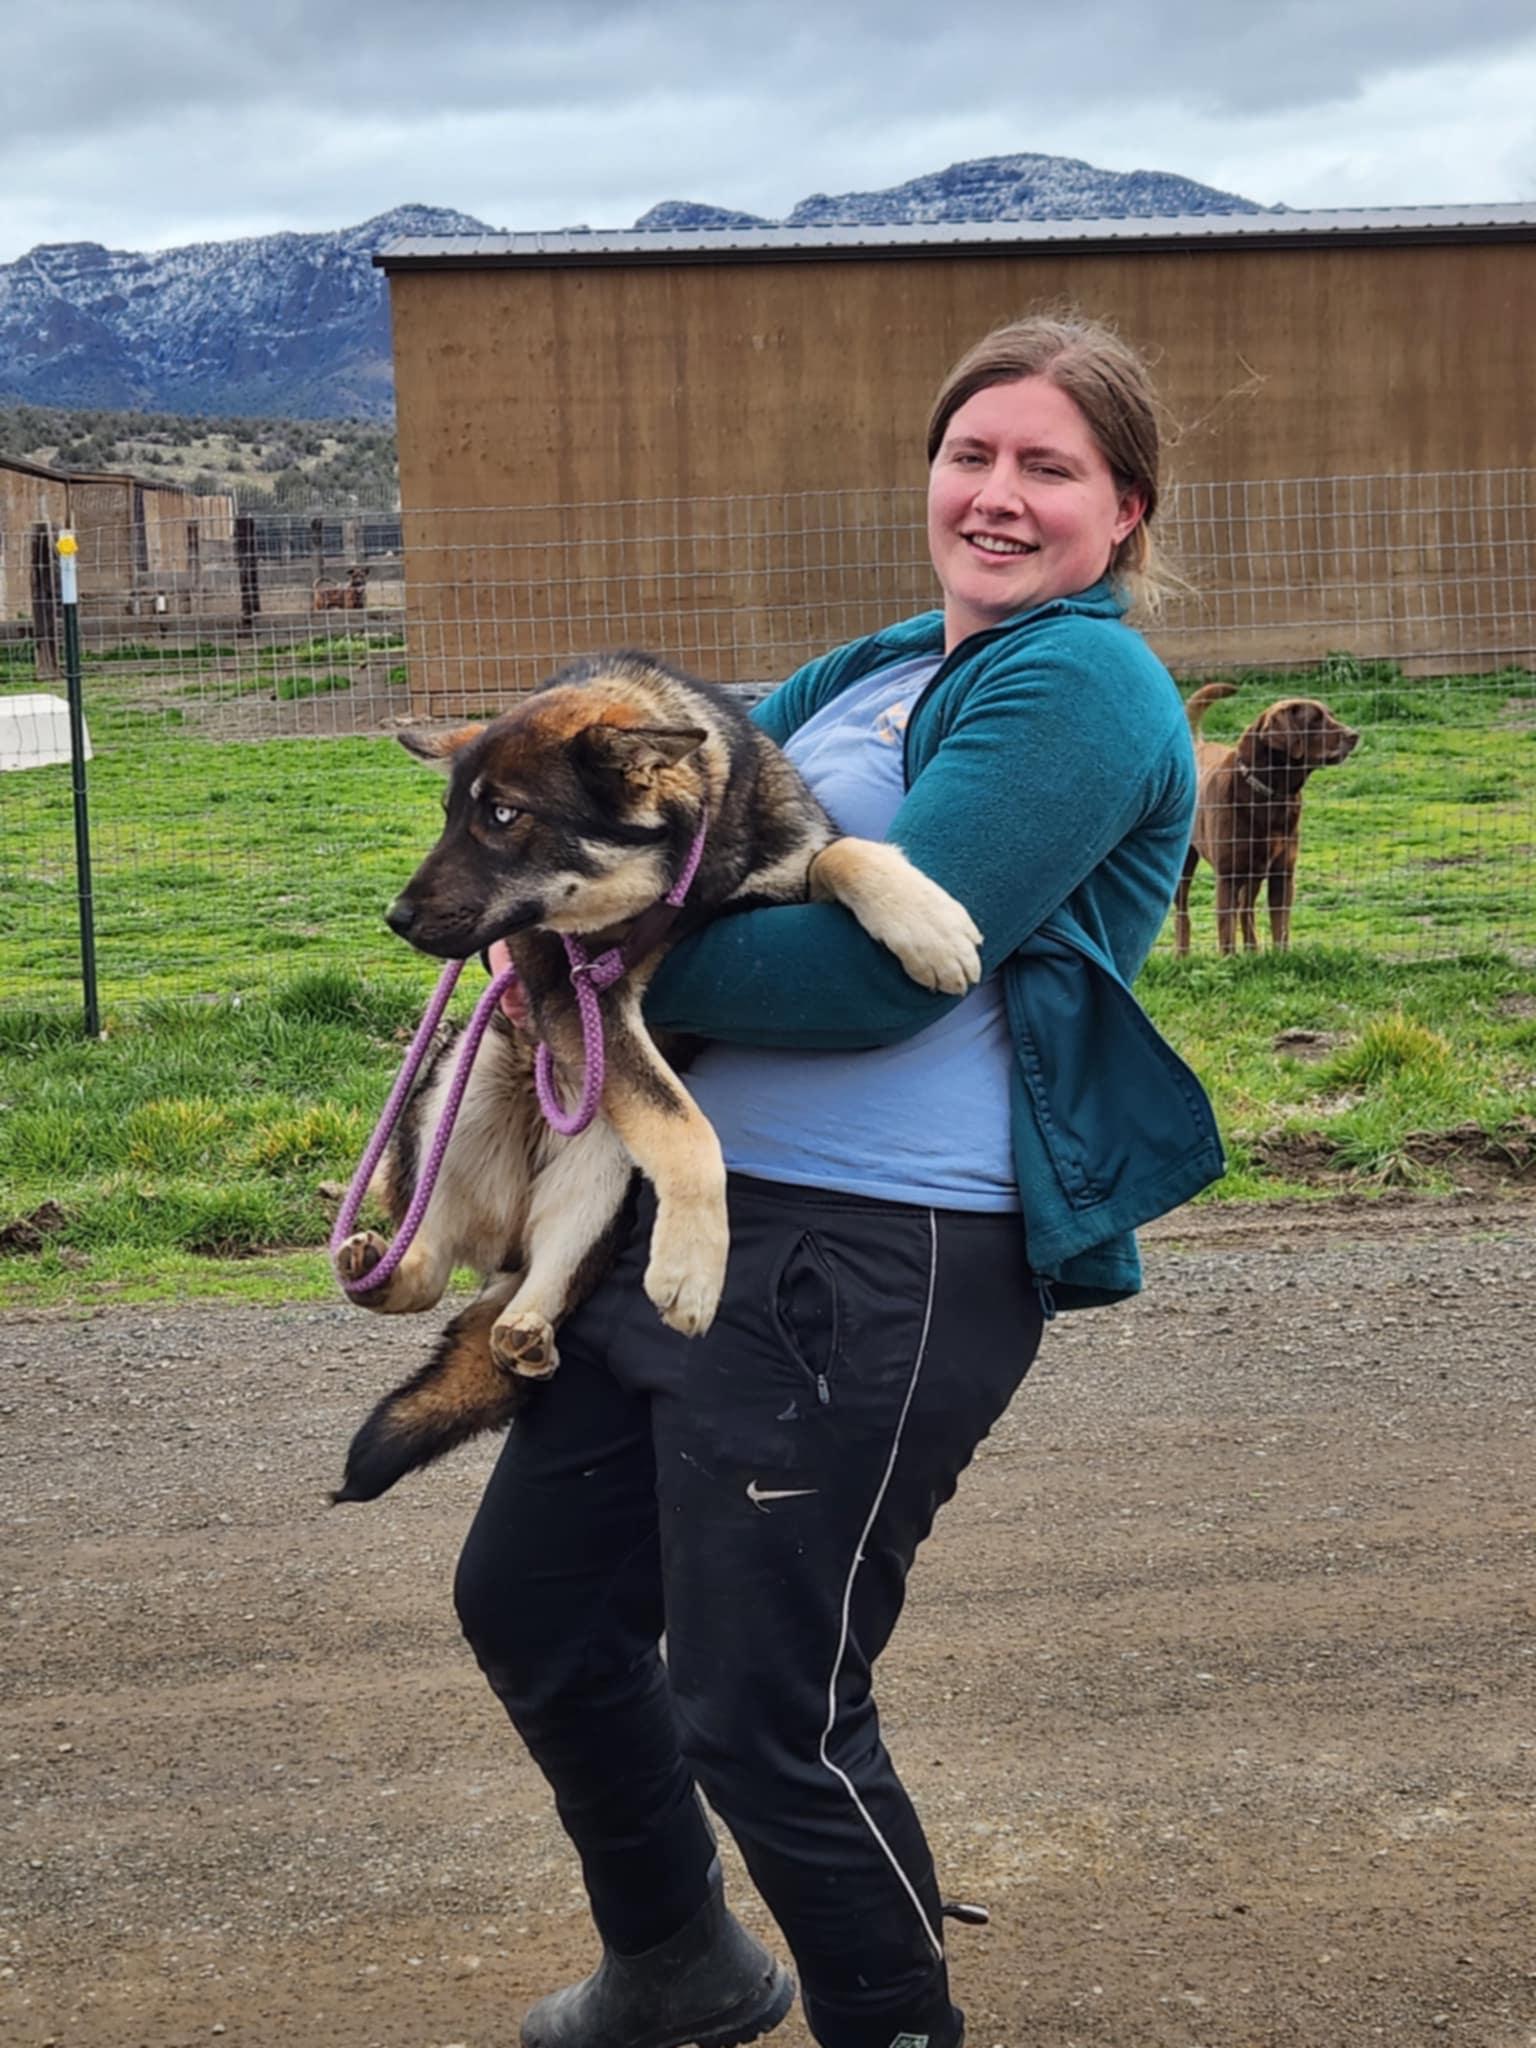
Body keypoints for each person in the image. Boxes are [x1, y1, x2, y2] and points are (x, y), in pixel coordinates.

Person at [452, 314, 1224, 2048]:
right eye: (973, 454)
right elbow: (661, 840)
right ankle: (681, 1966)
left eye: (1051, 468)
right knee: (534, 1602)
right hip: (687, 1219)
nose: (999, 496)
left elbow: (869, 984)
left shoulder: (1084, 683)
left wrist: (581, 959)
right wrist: (578, 922)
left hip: (884, 1259)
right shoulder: (871, 665)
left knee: (766, 1711)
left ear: (1128, 510)